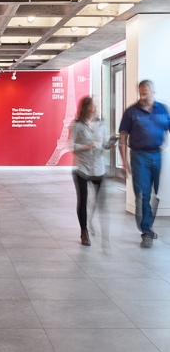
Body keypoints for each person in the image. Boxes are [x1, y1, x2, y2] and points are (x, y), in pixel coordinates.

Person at [118, 79, 170, 248]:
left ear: (153, 92)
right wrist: (124, 160)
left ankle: (148, 225)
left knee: (155, 194)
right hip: (139, 156)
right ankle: (146, 231)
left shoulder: (162, 109)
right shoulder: (131, 112)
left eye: (146, 93)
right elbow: (123, 137)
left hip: (157, 154)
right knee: (143, 194)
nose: (143, 96)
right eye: (141, 93)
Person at [71, 96, 111, 246]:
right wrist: (86, 147)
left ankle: (93, 223)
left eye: (95, 106)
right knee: (83, 200)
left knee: (100, 201)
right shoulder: (77, 125)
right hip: (82, 167)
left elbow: (104, 143)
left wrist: (108, 145)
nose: (94, 109)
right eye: (91, 106)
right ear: (86, 108)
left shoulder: (101, 124)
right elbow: (72, 146)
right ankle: (84, 231)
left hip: (98, 166)